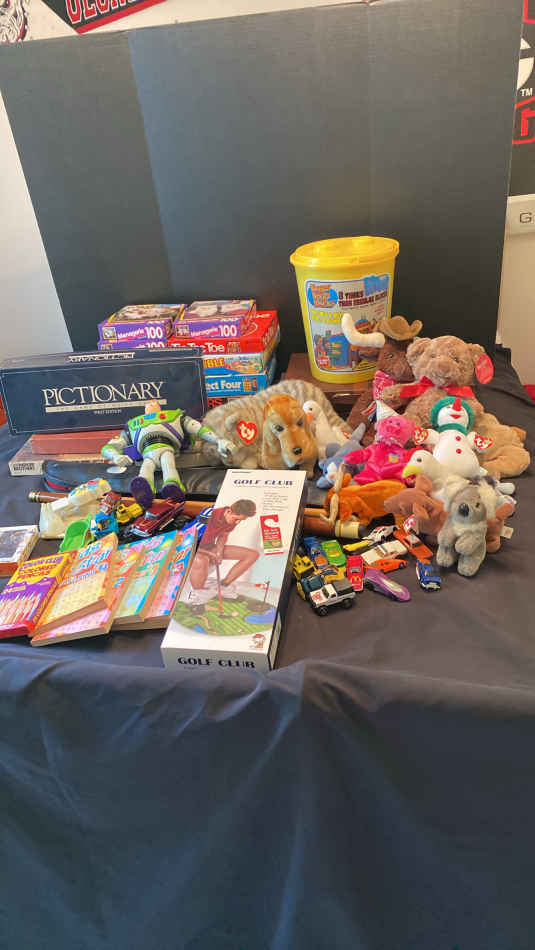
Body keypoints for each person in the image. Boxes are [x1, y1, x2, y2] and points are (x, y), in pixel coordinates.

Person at [189, 499, 258, 598]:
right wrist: (209, 554)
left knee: (252, 555)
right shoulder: (209, 515)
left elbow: (223, 536)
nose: (237, 522)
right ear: (229, 511)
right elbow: (186, 542)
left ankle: (223, 585)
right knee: (201, 560)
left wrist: (219, 553)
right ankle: (198, 594)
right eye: (236, 519)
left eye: (241, 520)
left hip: (208, 546)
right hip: (191, 547)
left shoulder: (231, 520)